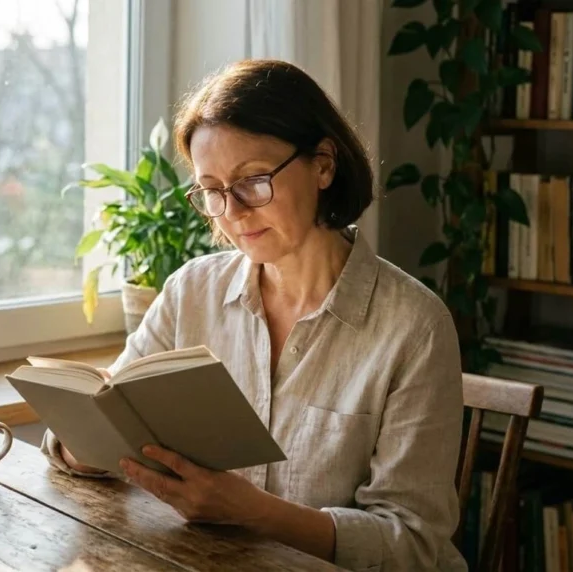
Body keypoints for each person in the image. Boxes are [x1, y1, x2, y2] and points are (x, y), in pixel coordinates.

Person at [40, 59, 467, 571]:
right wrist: (80, 444)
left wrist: (258, 513)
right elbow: (106, 416)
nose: (234, 212)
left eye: (253, 181)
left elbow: (413, 545)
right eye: (213, 191)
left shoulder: (414, 327)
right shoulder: (191, 290)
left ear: (324, 165)